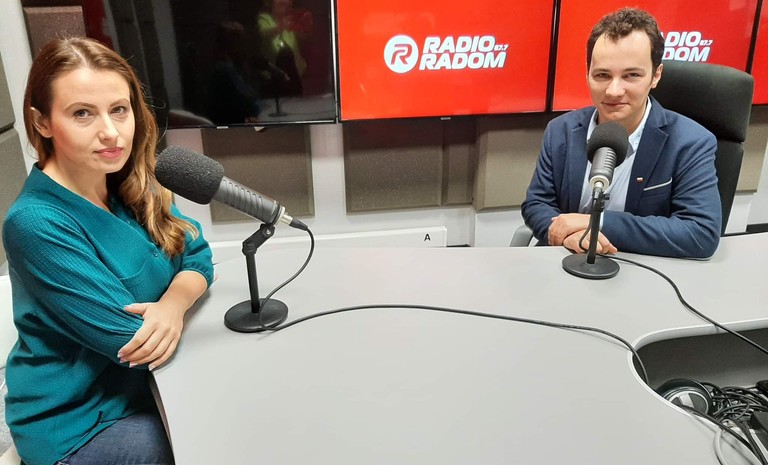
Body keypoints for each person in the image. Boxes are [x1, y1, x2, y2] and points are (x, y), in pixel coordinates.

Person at [2, 37, 214, 465]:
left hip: (151, 388)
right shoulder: (36, 223)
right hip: (79, 423)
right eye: (82, 113)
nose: (111, 132)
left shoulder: (127, 180)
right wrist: (175, 303)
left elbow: (198, 256)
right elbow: (134, 344)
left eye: (119, 109)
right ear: (42, 122)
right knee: (220, 443)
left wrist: (172, 305)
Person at [521, 7, 721, 259]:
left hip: (640, 267)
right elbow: (537, 204)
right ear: (587, 73)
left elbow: (700, 233)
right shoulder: (560, 130)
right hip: (565, 260)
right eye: (602, 75)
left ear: (656, 75)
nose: (614, 91)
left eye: (631, 75)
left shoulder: (691, 142)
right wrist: (568, 236)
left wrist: (599, 223)